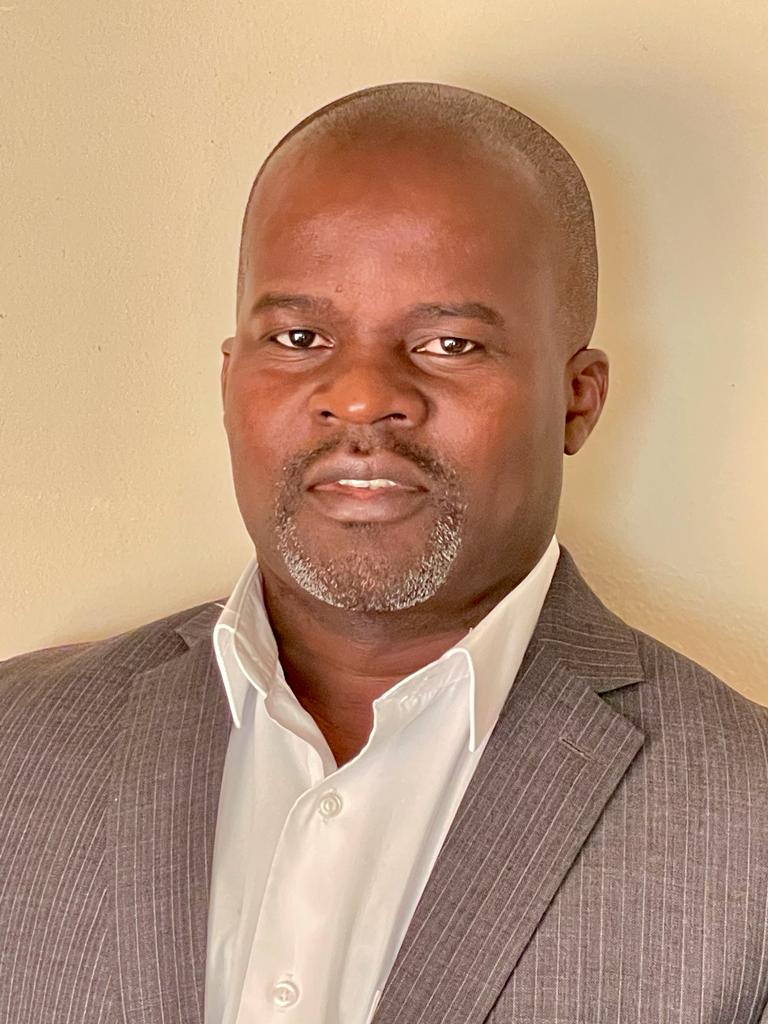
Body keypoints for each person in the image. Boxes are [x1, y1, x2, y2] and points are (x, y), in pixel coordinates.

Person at [0, 82, 766, 1024]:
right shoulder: (16, 744)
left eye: (449, 343)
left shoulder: (750, 828)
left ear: (578, 399)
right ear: (230, 377)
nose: (361, 398)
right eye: (299, 337)